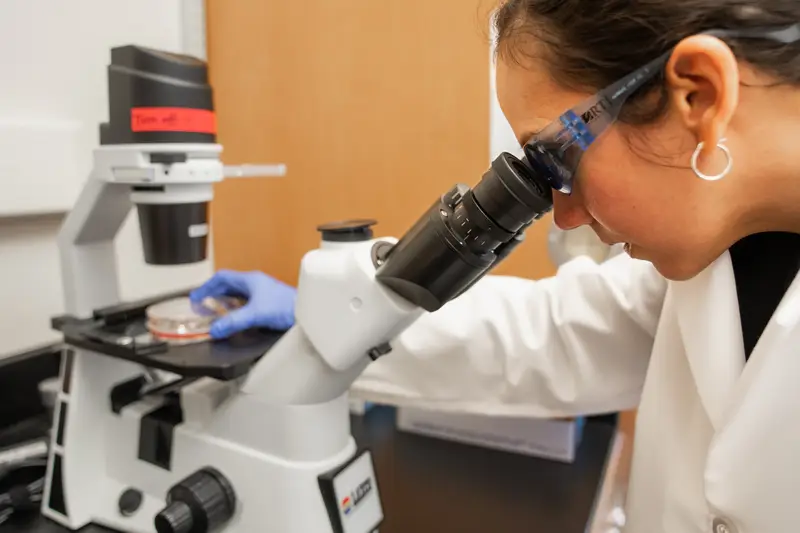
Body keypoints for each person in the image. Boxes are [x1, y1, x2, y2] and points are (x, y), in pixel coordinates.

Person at [191, 2, 800, 532]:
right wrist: (335, 326)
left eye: (557, 160)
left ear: (699, 93)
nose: (561, 215)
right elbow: (562, 333)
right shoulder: (708, 255)